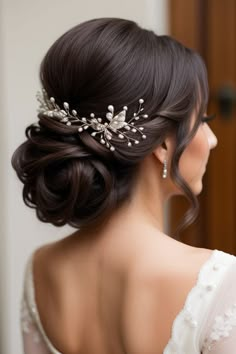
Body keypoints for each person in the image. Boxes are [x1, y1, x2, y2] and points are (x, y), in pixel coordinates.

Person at [11, 17, 236, 354]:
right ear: (162, 145)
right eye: (202, 121)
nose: (213, 139)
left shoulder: (42, 269)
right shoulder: (218, 283)